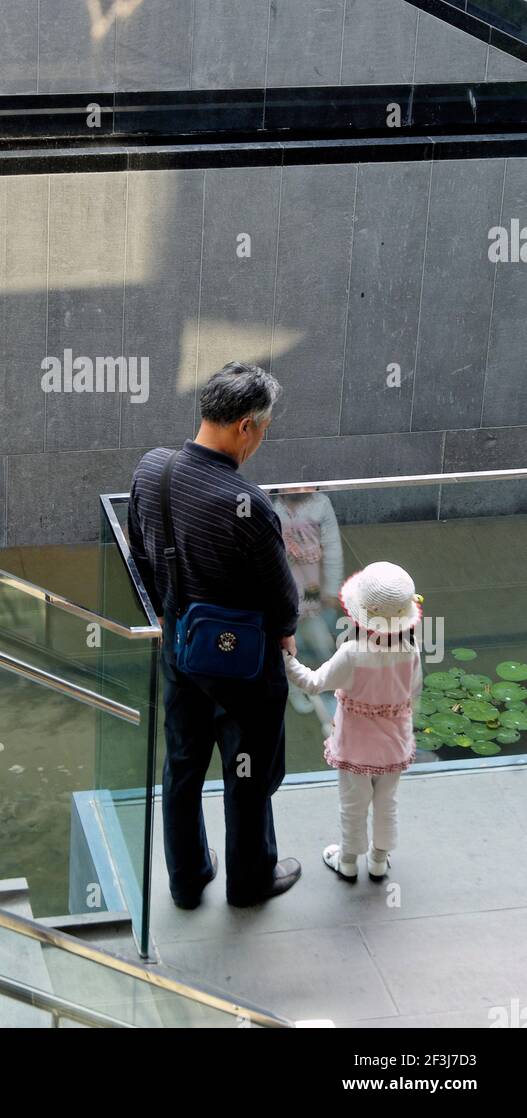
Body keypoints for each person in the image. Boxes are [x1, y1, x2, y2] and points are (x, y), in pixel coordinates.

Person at [128, 362, 301, 909]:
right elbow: (283, 600)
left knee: (181, 764)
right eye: (264, 429)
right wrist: (288, 635)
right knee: (246, 773)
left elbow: (140, 552)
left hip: (179, 647)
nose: (261, 441)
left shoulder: (151, 470)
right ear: (245, 427)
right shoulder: (247, 505)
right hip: (242, 667)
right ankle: (249, 882)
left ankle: (186, 878)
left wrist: (166, 613)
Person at [282, 561, 423, 881]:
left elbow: (314, 683)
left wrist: (288, 661)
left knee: (353, 805)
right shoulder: (410, 650)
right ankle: (378, 859)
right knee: (387, 803)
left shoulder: (353, 653)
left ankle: (347, 861)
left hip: (356, 748)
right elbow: (413, 689)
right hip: (394, 748)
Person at [272, 487, 343, 732]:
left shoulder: (320, 504)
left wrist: (332, 587)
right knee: (288, 642)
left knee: (319, 639)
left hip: (312, 585)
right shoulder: (273, 506)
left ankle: (323, 683)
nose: (300, 489)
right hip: (284, 587)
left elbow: (332, 546)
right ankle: (293, 687)